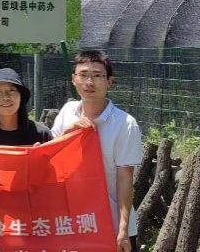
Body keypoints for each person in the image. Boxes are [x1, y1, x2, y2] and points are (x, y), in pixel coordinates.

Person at [51, 50, 143, 252]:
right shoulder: (67, 112)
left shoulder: (125, 124)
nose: (89, 82)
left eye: (97, 75)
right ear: (73, 79)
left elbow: (125, 179)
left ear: (110, 81)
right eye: (83, 75)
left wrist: (123, 230)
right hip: (72, 222)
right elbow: (50, 157)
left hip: (110, 225)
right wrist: (67, 133)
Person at [0, 68, 52, 146]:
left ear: (21, 96)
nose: (6, 97)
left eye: (12, 90)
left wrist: (40, 153)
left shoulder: (41, 134)